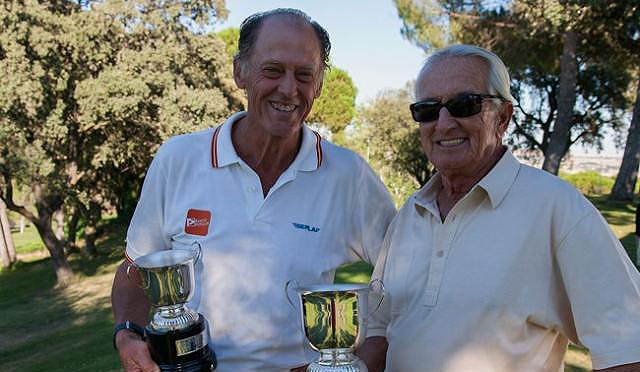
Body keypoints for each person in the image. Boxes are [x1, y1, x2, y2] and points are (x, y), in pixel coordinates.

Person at [111, 8, 395, 372]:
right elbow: (136, 269)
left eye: (304, 75)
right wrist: (126, 333)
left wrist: (361, 363)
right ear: (240, 72)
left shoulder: (348, 175)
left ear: (320, 85)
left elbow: (401, 281)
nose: (289, 89)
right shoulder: (178, 159)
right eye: (273, 70)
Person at [365, 44, 640, 372]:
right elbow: (380, 329)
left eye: (463, 105)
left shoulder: (557, 208)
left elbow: (628, 345)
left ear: (503, 117)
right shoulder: (410, 213)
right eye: (427, 109)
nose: (443, 123)